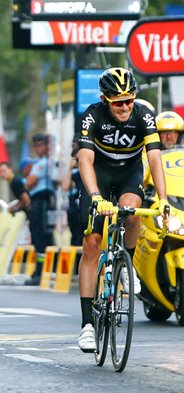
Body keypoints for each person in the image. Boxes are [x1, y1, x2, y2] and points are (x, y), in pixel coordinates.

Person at [76, 67, 169, 353]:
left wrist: (163, 199)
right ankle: (88, 325)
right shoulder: (93, 115)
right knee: (91, 245)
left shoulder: (143, 115)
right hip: (99, 175)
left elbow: (154, 158)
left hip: (129, 172)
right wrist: (94, 196)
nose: (125, 107)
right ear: (106, 100)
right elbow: (85, 160)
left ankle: (126, 266)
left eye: (129, 100)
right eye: (118, 102)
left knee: (132, 209)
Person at [24, 133, 57, 285]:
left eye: (40, 145)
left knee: (39, 237)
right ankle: (44, 269)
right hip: (47, 201)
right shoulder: (49, 162)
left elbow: (30, 182)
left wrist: (25, 182)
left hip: (40, 201)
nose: (37, 149)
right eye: (35, 146)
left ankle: (41, 271)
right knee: (45, 237)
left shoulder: (42, 163)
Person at [61, 143, 84, 246]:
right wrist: (70, 168)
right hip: (75, 211)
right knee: (75, 238)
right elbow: (65, 186)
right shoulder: (74, 174)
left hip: (86, 210)